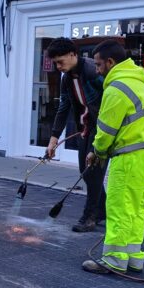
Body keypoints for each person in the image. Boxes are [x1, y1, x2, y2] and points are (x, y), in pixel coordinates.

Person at [82, 40, 144, 275]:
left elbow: (106, 130)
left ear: (110, 62)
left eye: (98, 65)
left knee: (119, 207)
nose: (97, 70)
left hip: (130, 156)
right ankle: (133, 259)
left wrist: (97, 152)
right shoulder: (139, 82)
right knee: (136, 208)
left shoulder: (116, 88)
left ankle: (114, 260)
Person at [44, 37, 106, 232]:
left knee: (93, 172)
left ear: (73, 55)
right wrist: (53, 139)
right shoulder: (66, 78)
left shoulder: (92, 71)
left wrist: (105, 134)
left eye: (60, 61)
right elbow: (64, 107)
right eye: (55, 63)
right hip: (86, 128)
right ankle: (102, 210)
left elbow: (110, 102)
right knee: (85, 172)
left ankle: (90, 216)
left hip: (103, 129)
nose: (58, 66)